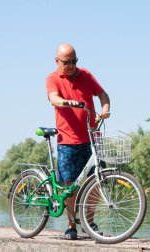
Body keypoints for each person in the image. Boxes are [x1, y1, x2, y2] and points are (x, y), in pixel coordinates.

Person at [46, 43, 110, 240]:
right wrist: (68, 102)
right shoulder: (52, 78)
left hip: (91, 138)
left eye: (74, 61)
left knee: (97, 181)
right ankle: (71, 225)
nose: (72, 65)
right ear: (57, 61)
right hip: (68, 141)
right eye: (67, 62)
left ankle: (89, 223)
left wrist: (105, 109)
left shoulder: (86, 75)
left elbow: (102, 94)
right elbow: (54, 98)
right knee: (69, 186)